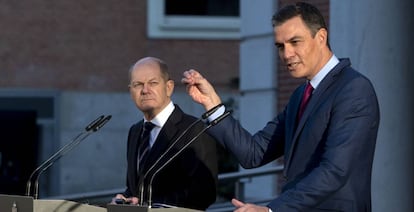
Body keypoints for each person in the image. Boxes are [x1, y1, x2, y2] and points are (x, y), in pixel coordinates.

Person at [182, 2, 380, 212]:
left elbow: (335, 170)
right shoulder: (300, 96)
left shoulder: (354, 90)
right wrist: (213, 105)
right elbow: (254, 153)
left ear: (321, 37)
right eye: (280, 46)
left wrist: (271, 210)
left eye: (295, 42)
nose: (287, 54)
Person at [112, 57, 218, 210]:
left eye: (153, 83)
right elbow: (136, 188)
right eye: (138, 85)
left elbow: (205, 192)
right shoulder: (135, 131)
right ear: (130, 91)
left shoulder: (194, 129)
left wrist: (151, 207)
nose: (145, 90)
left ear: (169, 87)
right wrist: (124, 201)